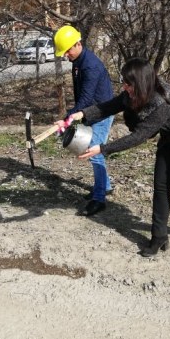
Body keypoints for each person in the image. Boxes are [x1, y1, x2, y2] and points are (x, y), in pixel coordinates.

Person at [68, 57, 170, 256]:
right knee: (161, 186)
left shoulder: (162, 102)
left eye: (127, 83)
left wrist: (103, 149)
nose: (124, 87)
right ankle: (159, 237)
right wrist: (81, 114)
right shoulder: (135, 93)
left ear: (140, 83)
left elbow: (140, 136)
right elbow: (109, 106)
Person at [54, 25, 114, 216]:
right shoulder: (78, 61)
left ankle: (99, 199)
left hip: (102, 112)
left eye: (67, 51)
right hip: (90, 112)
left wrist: (68, 117)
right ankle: (106, 187)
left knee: (94, 152)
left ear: (78, 44)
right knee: (94, 151)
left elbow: (86, 98)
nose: (66, 55)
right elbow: (83, 97)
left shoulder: (91, 65)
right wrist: (71, 116)